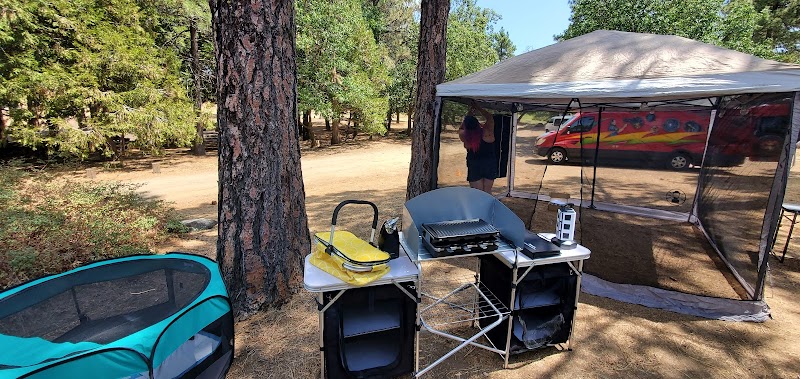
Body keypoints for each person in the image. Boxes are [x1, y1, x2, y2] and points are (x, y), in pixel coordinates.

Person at [458, 100, 496, 193]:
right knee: (487, 192)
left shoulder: (464, 135)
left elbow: (462, 127)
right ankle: (487, 208)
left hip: (474, 165)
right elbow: (490, 118)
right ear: (478, 124)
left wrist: (469, 114)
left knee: (477, 194)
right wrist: (478, 108)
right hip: (489, 164)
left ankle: (478, 208)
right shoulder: (487, 133)